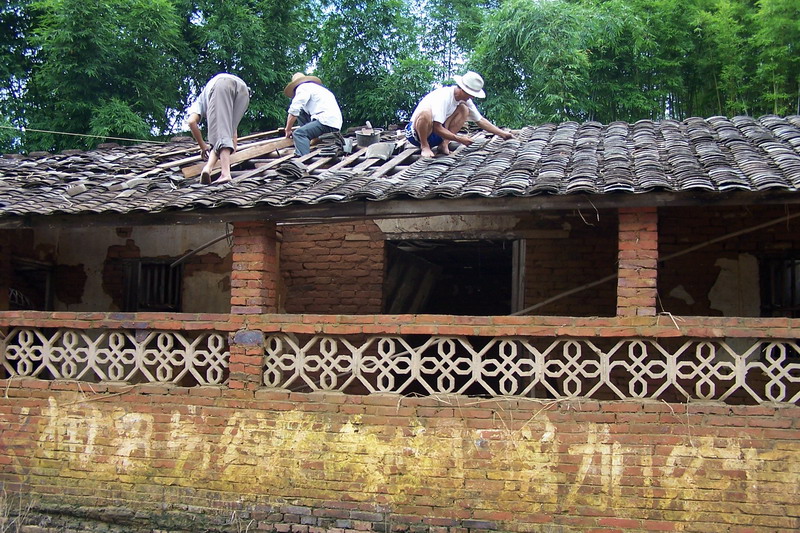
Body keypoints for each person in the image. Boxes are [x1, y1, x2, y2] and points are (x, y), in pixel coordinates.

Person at [406, 71, 513, 158]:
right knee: (425, 113)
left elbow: (480, 120)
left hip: (438, 135)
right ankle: (425, 146)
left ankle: (444, 144)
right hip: (417, 134)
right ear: (463, 89)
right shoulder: (444, 96)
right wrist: (459, 139)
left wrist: (502, 134)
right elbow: (436, 127)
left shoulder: (464, 100)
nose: (472, 97)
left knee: (464, 109)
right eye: (471, 94)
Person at [187, 73, 250, 184]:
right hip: (243, 90)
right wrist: (232, 146)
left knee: (219, 135)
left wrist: (203, 147)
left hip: (221, 85)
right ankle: (208, 168)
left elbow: (192, 122)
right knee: (222, 134)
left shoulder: (199, 102)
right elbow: (231, 131)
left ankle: (225, 173)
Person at [283, 73, 343, 156]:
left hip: (325, 121)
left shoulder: (303, 87)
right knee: (301, 113)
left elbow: (294, 110)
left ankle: (302, 159)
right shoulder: (319, 89)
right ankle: (307, 138)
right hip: (334, 123)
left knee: (299, 134)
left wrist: (288, 129)